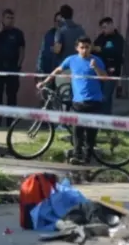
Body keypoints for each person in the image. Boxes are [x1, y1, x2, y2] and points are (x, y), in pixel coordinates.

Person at [37, 36, 107, 165]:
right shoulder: (71, 60)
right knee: (77, 130)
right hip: (78, 102)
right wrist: (45, 82)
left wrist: (95, 67)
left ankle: (87, 157)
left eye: (87, 47)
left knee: (91, 132)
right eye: (82, 47)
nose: (84, 50)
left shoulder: (97, 60)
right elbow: (58, 70)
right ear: (77, 48)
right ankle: (76, 155)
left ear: (91, 47)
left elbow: (104, 78)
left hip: (94, 101)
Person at [0, 8, 25, 126]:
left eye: (12, 18)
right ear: (2, 18)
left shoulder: (18, 33)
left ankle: (10, 121)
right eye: (8, 18)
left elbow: (22, 50)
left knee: (12, 95)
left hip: (12, 69)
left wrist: (19, 65)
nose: (10, 20)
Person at [36, 11, 61, 78]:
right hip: (47, 71)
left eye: (60, 21)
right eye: (56, 21)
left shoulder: (66, 35)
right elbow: (42, 51)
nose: (58, 23)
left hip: (60, 72)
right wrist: (38, 68)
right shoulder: (48, 34)